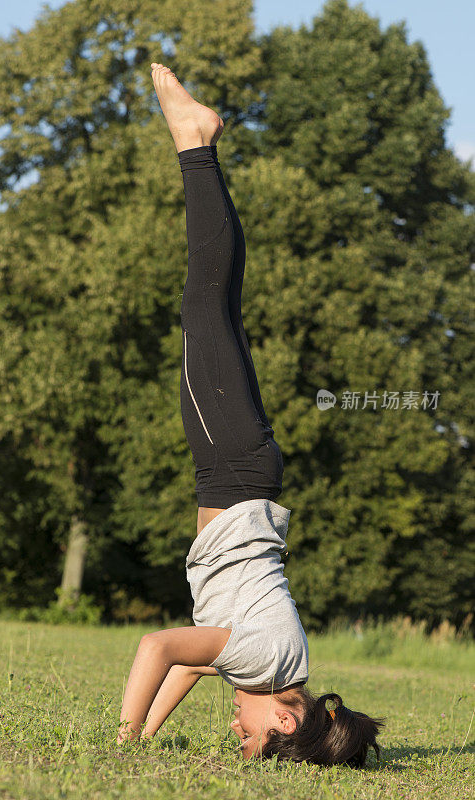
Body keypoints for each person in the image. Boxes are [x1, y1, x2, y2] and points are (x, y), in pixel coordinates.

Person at [117, 63, 384, 766]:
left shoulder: (272, 663)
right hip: (231, 468)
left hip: (246, 473)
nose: (236, 730)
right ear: (287, 721)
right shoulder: (266, 659)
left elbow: (191, 662)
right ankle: (193, 142)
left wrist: (145, 735)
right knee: (205, 303)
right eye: (253, 736)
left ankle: (198, 144)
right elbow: (158, 646)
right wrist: (120, 740)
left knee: (217, 302)